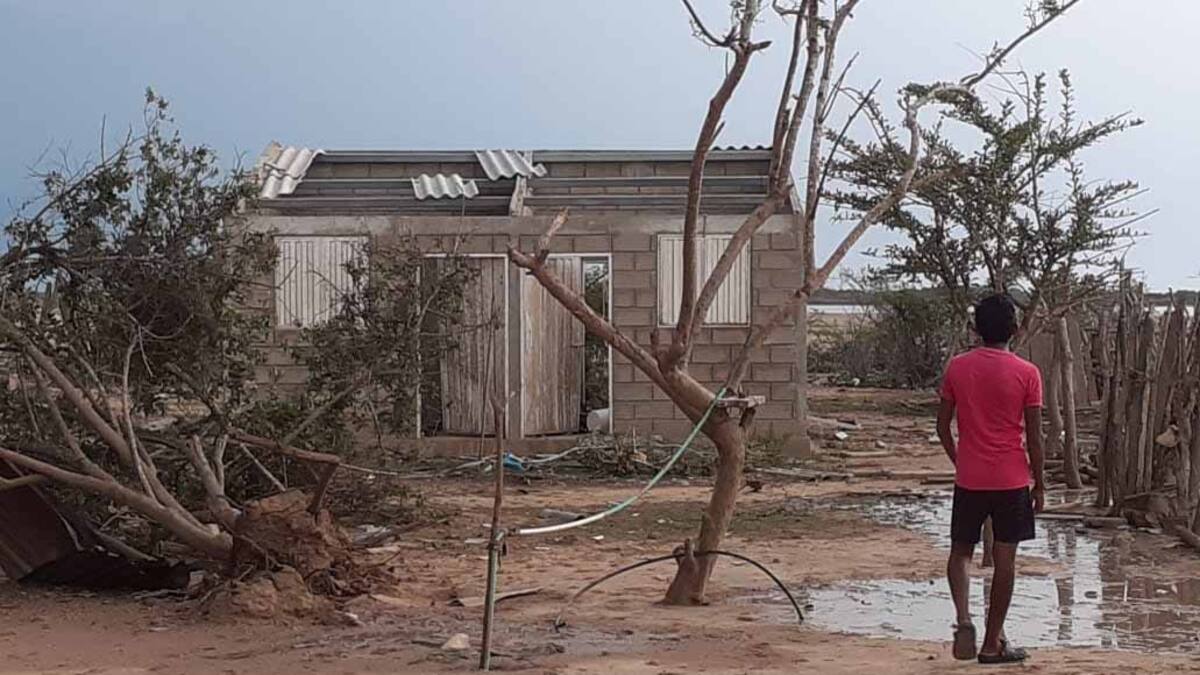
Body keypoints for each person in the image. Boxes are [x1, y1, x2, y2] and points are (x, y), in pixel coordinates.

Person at [936, 293, 1045, 664]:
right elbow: (1035, 438)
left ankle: (964, 618)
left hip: (970, 478)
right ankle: (991, 642)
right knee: (1005, 560)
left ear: (976, 329)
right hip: (1011, 480)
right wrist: (1040, 484)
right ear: (1014, 329)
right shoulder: (1027, 373)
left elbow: (942, 426)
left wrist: (960, 460)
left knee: (960, 552)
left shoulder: (957, 368)